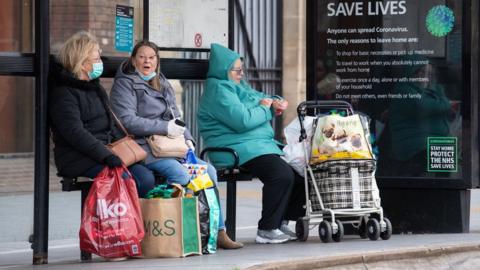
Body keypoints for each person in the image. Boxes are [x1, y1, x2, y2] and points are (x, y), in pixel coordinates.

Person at [109, 40, 243, 249]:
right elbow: (127, 120)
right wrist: (164, 127)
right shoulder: (124, 84)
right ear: (134, 60)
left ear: (157, 61)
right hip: (146, 148)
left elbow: (176, 116)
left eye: (152, 57)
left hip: (173, 146)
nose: (147, 61)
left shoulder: (161, 81)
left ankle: (217, 231)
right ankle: (183, 232)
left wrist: (187, 137)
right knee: (181, 175)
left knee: (209, 172)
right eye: (142, 57)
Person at [197, 43, 305, 244]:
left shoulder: (237, 86)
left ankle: (280, 221)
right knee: (280, 174)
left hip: (254, 145)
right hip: (232, 148)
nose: (241, 73)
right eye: (237, 70)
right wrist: (265, 110)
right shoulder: (219, 91)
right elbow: (243, 120)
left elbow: (260, 98)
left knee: (299, 174)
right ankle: (267, 228)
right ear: (224, 70)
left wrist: (274, 101)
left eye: (241, 69)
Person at [49, 31, 155, 201]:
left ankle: (135, 225)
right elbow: (75, 134)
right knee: (130, 181)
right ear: (82, 64)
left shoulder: (95, 87)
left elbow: (111, 123)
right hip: (78, 157)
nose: (100, 63)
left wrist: (128, 152)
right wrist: (107, 156)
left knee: (146, 177)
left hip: (107, 151)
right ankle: (119, 225)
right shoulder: (64, 93)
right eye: (96, 60)